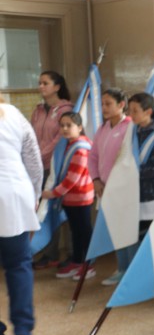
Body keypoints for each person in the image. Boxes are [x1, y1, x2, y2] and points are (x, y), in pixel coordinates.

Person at [0, 92, 42, 335]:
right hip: (13, 198)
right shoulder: (13, 115)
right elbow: (34, 162)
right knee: (18, 266)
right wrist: (34, 198)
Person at [41, 112, 95, 280]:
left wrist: (53, 193)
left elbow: (72, 178)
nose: (64, 128)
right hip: (70, 199)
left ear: (79, 127)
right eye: (62, 125)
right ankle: (78, 262)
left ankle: (88, 266)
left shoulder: (80, 149)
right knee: (76, 232)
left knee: (84, 232)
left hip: (80, 197)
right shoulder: (68, 145)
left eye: (69, 125)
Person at [120, 93, 154, 271]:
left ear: (148, 111)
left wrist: (131, 173)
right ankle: (140, 273)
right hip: (135, 195)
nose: (130, 114)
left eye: (135, 110)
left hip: (152, 196)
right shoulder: (134, 132)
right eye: (129, 110)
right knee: (138, 237)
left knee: (152, 238)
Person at [30, 71, 73, 269]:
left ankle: (73, 255)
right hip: (38, 168)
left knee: (60, 209)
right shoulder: (38, 110)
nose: (41, 86)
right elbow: (30, 136)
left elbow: (59, 139)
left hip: (56, 167)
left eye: (45, 83)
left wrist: (38, 156)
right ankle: (50, 252)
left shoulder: (66, 109)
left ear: (57, 86)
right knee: (43, 210)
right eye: (39, 83)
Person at [89, 88, 132, 285]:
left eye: (109, 104)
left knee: (127, 231)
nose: (104, 108)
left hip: (123, 190)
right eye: (103, 103)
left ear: (121, 105)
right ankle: (121, 268)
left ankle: (129, 272)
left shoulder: (129, 127)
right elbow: (93, 156)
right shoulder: (102, 128)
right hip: (104, 189)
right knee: (116, 231)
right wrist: (96, 179)